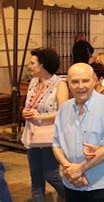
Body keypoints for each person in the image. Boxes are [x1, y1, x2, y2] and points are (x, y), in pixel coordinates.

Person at [52, 63, 104, 201]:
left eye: (85, 80)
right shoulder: (64, 109)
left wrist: (79, 169)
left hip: (103, 185)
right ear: (68, 83)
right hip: (72, 184)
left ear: (94, 81)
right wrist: (70, 170)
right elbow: (56, 144)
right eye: (75, 82)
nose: (80, 86)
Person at [21, 48, 67, 201]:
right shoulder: (33, 82)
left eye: (32, 63)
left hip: (50, 136)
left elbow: (63, 111)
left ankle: (73, 197)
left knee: (51, 174)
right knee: (36, 176)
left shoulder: (59, 84)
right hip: (32, 134)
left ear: (43, 65)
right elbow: (30, 105)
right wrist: (25, 113)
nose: (29, 66)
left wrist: (39, 116)